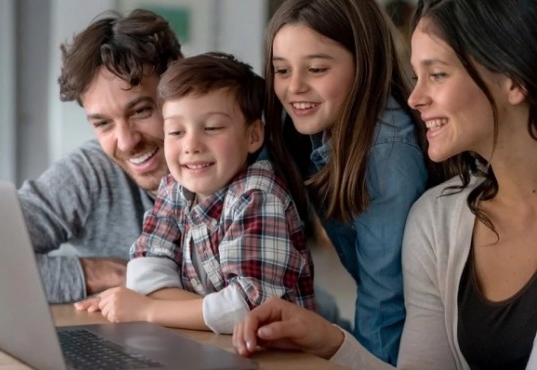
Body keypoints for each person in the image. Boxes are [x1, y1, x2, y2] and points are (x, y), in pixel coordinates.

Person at [234, 0, 537, 369]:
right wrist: (330, 340)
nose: (414, 98)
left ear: (515, 80)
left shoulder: (389, 150)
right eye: (282, 70)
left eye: (437, 74)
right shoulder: (439, 217)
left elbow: (385, 305)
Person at [257, 0, 435, 364]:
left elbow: (387, 298)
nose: (294, 88)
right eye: (281, 70)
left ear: (364, 64)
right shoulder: (307, 123)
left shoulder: (387, 150)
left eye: (317, 69)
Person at [94, 52, 317, 334]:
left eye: (211, 127)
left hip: (281, 358)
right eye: (175, 131)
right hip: (211, 345)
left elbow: (249, 312)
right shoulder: (174, 187)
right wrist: (210, 311)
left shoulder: (258, 196)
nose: (191, 145)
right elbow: (145, 272)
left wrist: (148, 310)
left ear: (253, 136)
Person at [18, 9, 182, 303]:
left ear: (179, 90)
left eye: (141, 111)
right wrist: (103, 273)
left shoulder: (243, 168)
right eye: (103, 123)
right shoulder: (91, 172)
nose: (127, 142)